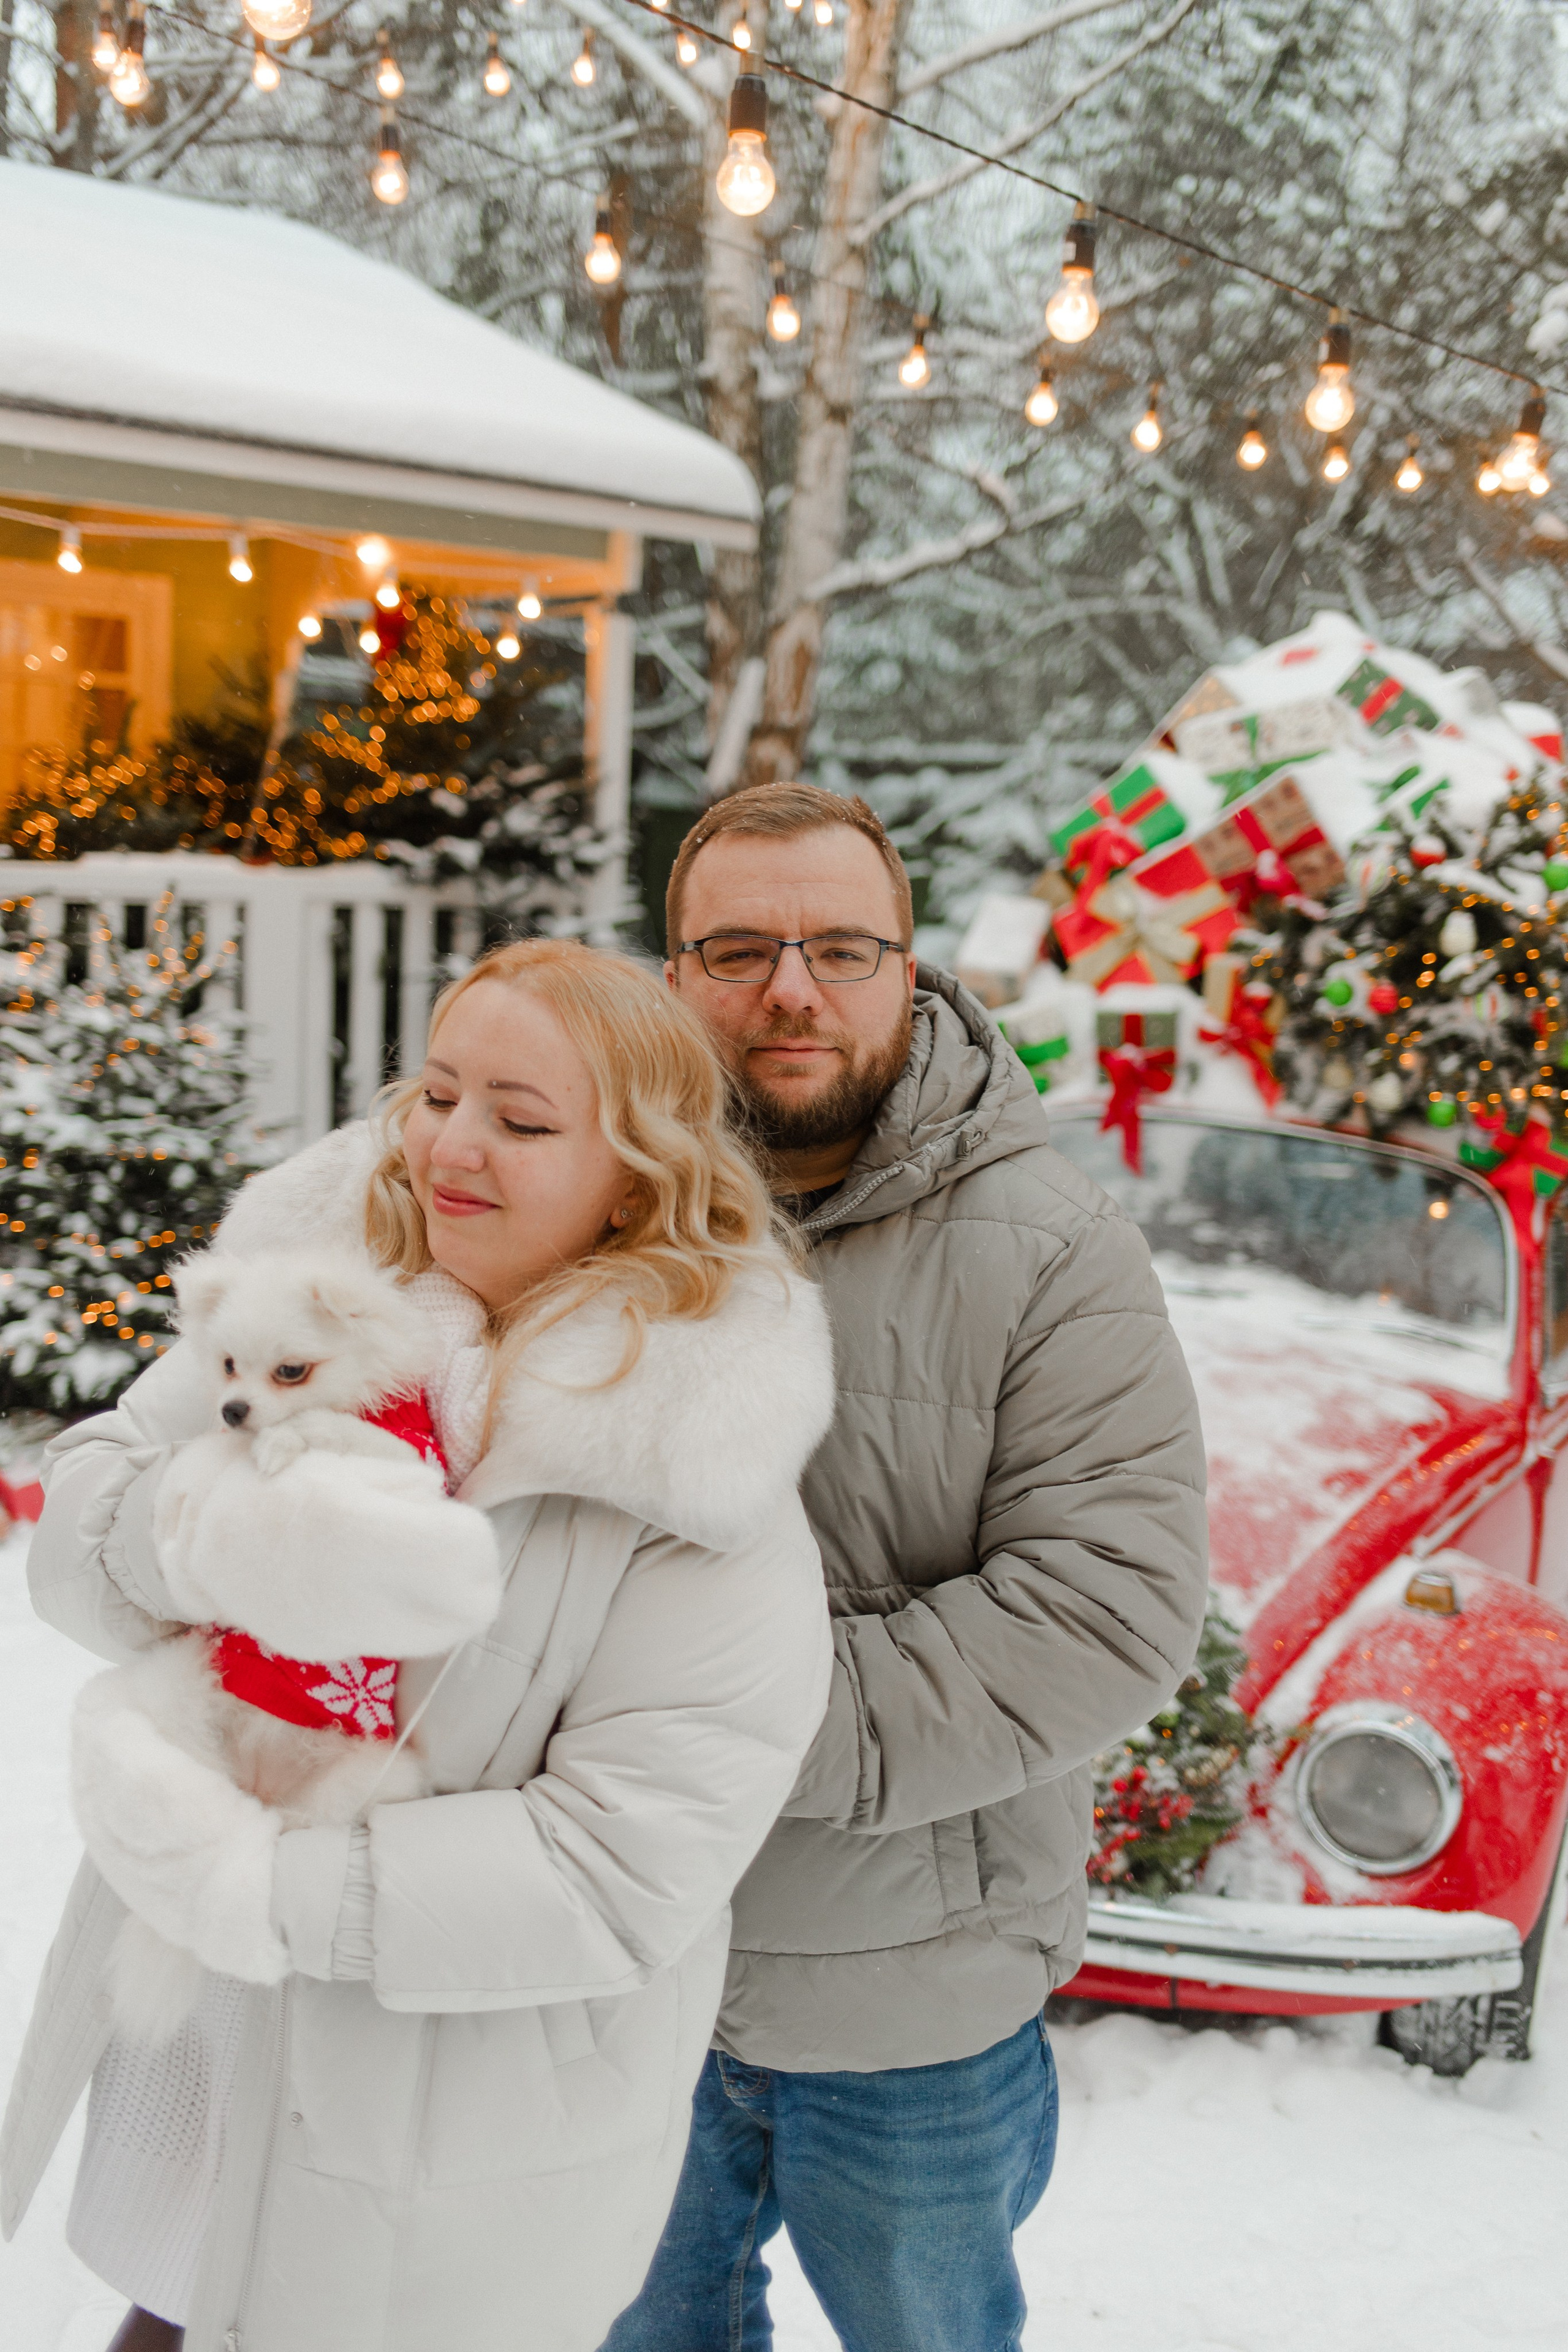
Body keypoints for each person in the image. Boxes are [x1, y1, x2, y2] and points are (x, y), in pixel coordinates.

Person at [1, 938, 837, 2352]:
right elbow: (84, 1522)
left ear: (634, 1173)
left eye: (518, 1121)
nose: (451, 1144)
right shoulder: (319, 1300)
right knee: (170, 2310)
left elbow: (622, 1868)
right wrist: (199, 1539)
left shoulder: (691, 1464)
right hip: (201, 2042)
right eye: (437, 1093)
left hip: (436, 2124)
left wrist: (258, 1883)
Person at [606, 783, 1209, 2352]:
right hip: (615, 1967)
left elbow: (1106, 1608)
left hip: (912, 2005)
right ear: (671, 975)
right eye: (735, 949)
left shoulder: (1051, 1246)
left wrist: (707, 1731)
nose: (788, 989)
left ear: (911, 967)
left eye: (838, 947)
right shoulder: (582, 1204)